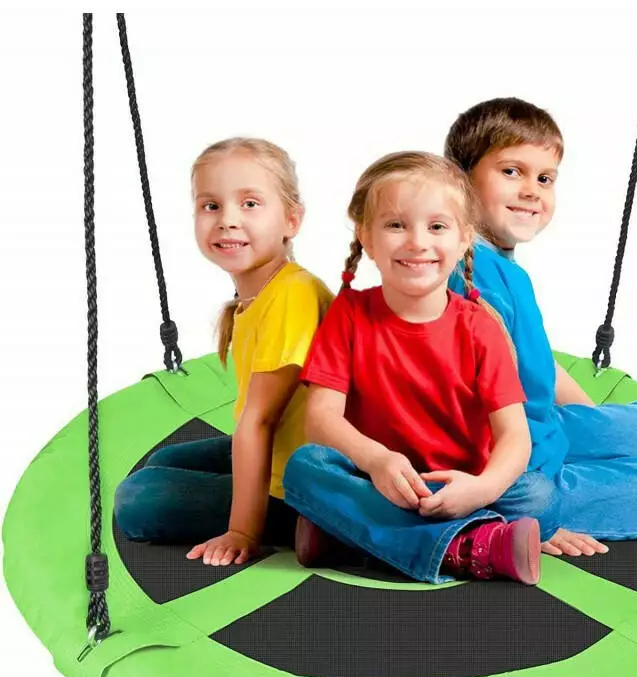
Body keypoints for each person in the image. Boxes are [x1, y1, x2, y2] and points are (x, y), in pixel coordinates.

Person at [283, 151, 555, 585]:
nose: (417, 242)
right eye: (396, 225)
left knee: (540, 497)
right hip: (378, 479)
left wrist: (481, 489)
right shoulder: (349, 314)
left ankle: (353, 535)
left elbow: (514, 437)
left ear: (464, 239)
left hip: (463, 482)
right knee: (305, 466)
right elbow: (320, 419)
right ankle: (466, 545)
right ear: (366, 236)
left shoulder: (480, 327)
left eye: (437, 227)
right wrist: (376, 460)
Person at [445, 98, 637, 556]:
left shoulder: (501, 268)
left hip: (544, 429)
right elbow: (467, 413)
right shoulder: (467, 280)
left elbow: (537, 363)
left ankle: (572, 465)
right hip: (510, 464)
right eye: (512, 172)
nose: (531, 191)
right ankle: (526, 507)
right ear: (458, 181)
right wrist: (537, 513)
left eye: (545, 178)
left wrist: (596, 427)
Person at [114, 137, 333, 567]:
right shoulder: (258, 296)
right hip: (282, 450)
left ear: (291, 219)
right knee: (164, 460)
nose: (227, 220)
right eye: (211, 205)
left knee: (137, 499)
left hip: (302, 483)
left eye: (250, 204)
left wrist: (242, 531)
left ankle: (299, 526)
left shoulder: (293, 295)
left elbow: (259, 419)